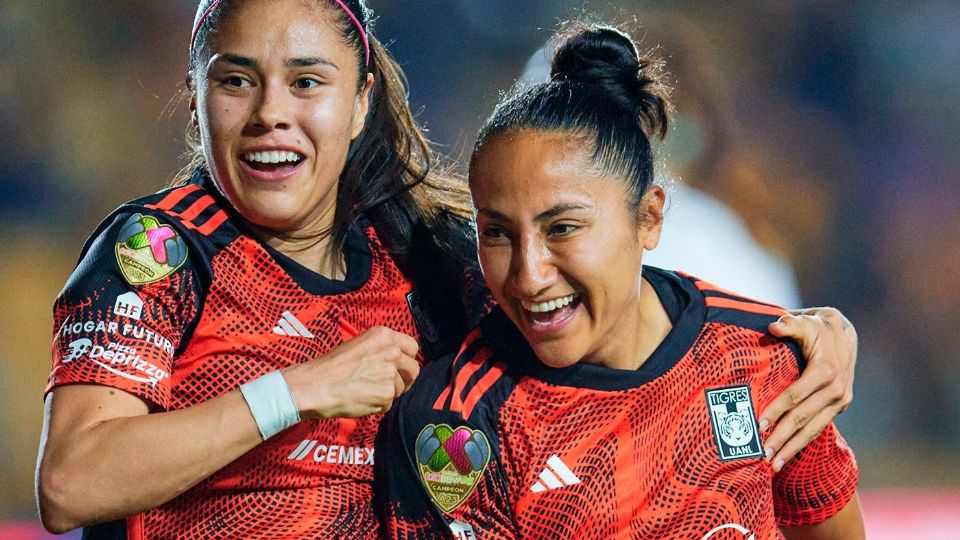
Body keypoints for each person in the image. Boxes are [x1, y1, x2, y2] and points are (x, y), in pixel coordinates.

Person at [36, 1, 855, 538]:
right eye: (235, 81)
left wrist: (803, 340)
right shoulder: (160, 251)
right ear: (193, 96)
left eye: (306, 81)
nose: (269, 114)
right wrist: (296, 392)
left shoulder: (431, 255)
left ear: (359, 103)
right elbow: (71, 483)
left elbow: (598, 320)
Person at [375, 21, 864, 539]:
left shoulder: (761, 358)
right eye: (497, 233)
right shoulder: (455, 423)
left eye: (562, 228)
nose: (529, 275)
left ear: (649, 218)